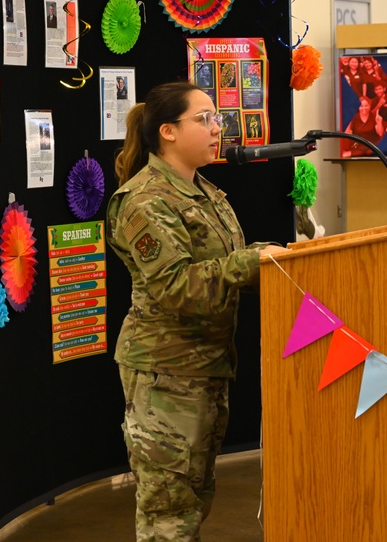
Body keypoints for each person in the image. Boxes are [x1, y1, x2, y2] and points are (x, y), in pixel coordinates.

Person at [106, 82, 286, 541]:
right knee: (169, 515)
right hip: (165, 374)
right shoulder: (145, 201)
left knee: (193, 501)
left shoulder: (203, 191)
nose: (216, 128)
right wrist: (254, 260)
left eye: (216, 118)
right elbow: (175, 286)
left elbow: (224, 268)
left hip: (205, 367)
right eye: (203, 119)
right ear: (167, 131)